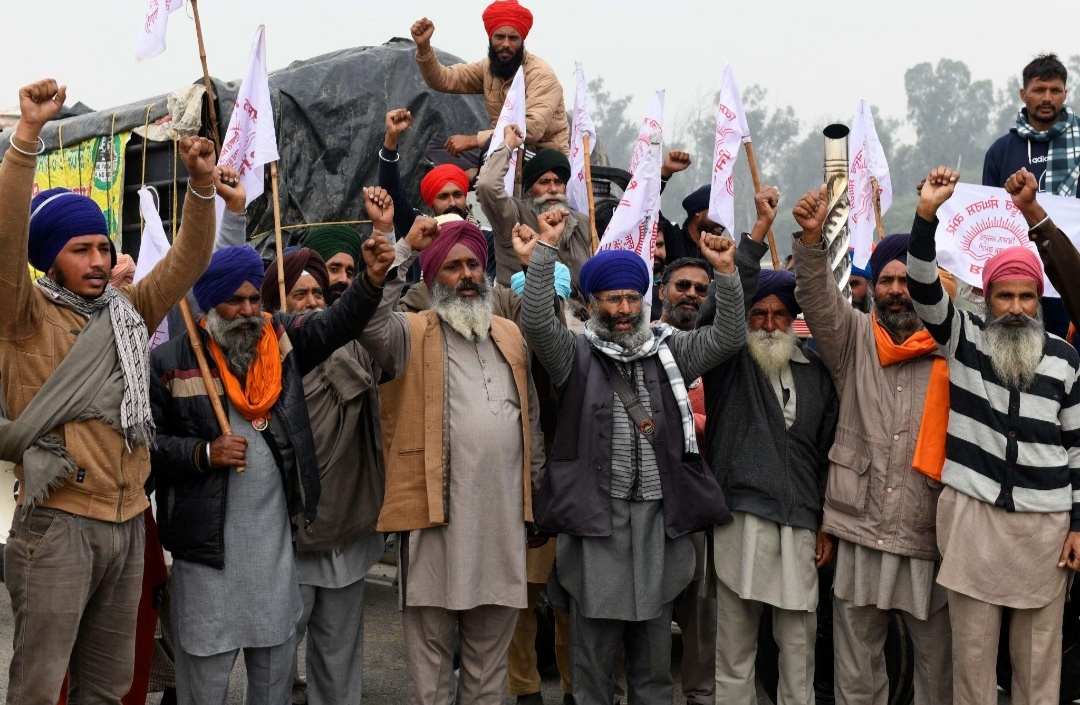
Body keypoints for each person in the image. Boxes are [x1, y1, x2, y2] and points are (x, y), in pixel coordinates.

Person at [0, 78, 219, 705]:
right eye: (80, 250)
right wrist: (26, 137)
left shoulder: (129, 311)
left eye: (104, 246)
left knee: (110, 686)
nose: (98, 260)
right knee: (41, 686)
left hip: (128, 521)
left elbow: (189, 260)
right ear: (48, 259)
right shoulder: (23, 317)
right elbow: (7, 231)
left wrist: (201, 187)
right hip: (60, 525)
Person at [148, 188, 396, 705]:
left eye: (252, 301)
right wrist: (204, 455)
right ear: (208, 305)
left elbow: (336, 323)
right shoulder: (175, 360)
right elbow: (146, 453)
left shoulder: (280, 342)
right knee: (205, 690)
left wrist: (372, 280)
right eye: (233, 301)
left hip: (274, 561)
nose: (245, 312)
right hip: (205, 561)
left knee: (271, 689)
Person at [519, 209, 746, 705]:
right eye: (611, 298)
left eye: (629, 298)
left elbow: (728, 337)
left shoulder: (672, 352)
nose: (622, 308)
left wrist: (726, 275)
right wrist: (544, 251)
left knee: (652, 672)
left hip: (657, 527)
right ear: (593, 302)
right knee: (593, 670)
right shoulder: (575, 356)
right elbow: (536, 320)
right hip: (597, 527)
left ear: (644, 301)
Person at [907, 165, 1080, 704]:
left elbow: (1077, 452)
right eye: (1004, 296)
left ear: (1039, 299)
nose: (1015, 309)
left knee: (1037, 672)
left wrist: (1078, 526)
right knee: (973, 671)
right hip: (974, 524)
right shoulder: (964, 338)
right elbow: (922, 287)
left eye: (1026, 297)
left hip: (1044, 535)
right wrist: (925, 215)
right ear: (987, 298)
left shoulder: (1065, 359)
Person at [359, 214, 545, 705]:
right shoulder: (409, 331)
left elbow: (533, 417)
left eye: (474, 266)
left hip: (501, 527)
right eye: (452, 267)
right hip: (434, 526)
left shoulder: (508, 333)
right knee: (432, 678)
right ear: (432, 277)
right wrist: (399, 250)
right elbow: (366, 322)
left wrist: (537, 264)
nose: (467, 276)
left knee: (489, 676)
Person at [791, 188, 953, 705]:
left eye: (908, 280)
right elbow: (817, 296)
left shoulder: (954, 347)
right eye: (886, 280)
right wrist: (812, 242)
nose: (897, 290)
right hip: (859, 527)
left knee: (938, 673)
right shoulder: (853, 339)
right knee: (856, 672)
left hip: (928, 532)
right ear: (873, 288)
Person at [700, 228, 839, 705]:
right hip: (740, 516)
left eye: (779, 313)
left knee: (798, 648)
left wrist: (825, 522)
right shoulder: (729, 361)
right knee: (735, 649)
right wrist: (753, 244)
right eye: (758, 312)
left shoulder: (817, 372)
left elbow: (827, 453)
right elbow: (714, 313)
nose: (768, 322)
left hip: (800, 521)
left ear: (793, 319)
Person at [256, 245, 386, 705]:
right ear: (274, 302)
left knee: (338, 664)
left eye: (318, 293)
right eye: (298, 293)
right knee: (273, 665)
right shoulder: (260, 365)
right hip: (286, 540)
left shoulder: (353, 348)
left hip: (345, 532)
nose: (312, 302)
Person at [410, 0, 569, 157]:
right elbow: (444, 79)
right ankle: (475, 173)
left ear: (522, 42)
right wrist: (424, 47)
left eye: (513, 38)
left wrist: (473, 140)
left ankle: (480, 173)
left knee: (488, 153)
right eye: (499, 37)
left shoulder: (541, 74)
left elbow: (529, 131)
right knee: (437, 148)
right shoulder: (487, 68)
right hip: (502, 149)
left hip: (540, 156)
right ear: (490, 39)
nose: (506, 44)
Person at [378, 108, 497, 282]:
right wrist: (391, 140)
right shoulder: (420, 231)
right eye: (443, 197)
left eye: (457, 195)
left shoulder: (487, 238)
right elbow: (391, 195)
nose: (452, 202)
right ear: (430, 202)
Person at [477, 124, 591, 299]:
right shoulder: (513, 217)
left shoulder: (581, 222)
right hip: (523, 315)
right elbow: (487, 186)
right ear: (529, 190)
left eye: (558, 182)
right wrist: (508, 144)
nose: (553, 189)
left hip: (579, 320)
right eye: (544, 182)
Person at [984, 53, 1078, 197]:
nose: (1047, 98)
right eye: (1039, 90)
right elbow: (990, 211)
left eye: (1055, 91)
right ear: (1023, 94)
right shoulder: (1000, 152)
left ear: (1065, 95)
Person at [302, 225, 364, 305]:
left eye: (349, 274)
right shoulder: (288, 315)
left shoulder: (357, 314)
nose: (344, 279)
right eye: (334, 269)